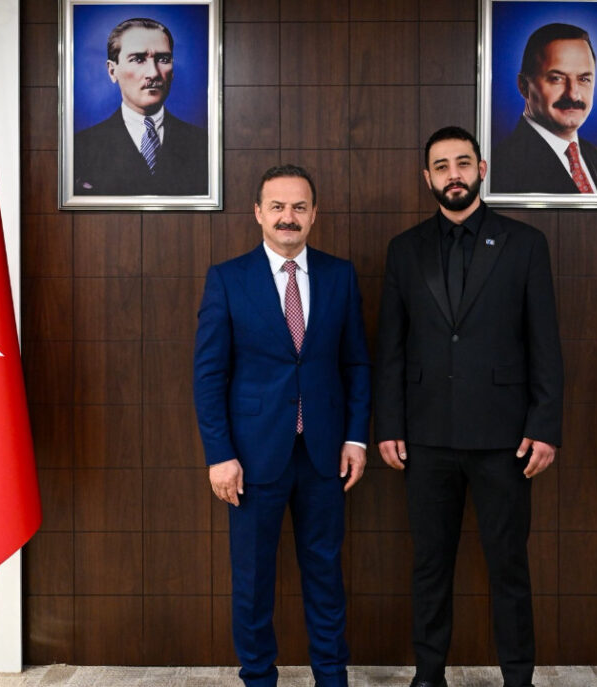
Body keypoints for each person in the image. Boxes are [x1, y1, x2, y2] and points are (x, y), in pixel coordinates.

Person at [375, 127, 564, 687]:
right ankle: (428, 674)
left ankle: (518, 678)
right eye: (441, 166)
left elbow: (545, 344)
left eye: (462, 163)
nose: (452, 174)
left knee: (508, 566)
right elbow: (391, 348)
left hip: (506, 439)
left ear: (481, 169)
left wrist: (545, 425)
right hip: (425, 437)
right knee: (430, 565)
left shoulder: (525, 244)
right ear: (427, 178)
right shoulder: (404, 249)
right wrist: (388, 424)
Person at [193, 165, 371, 687]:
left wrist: (356, 437)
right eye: (277, 207)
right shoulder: (227, 279)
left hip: (324, 454)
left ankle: (331, 678)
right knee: (252, 582)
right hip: (250, 459)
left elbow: (357, 363)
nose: (287, 217)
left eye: (298, 207)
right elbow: (209, 375)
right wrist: (219, 454)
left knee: (325, 576)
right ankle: (257, 679)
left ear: (314, 214)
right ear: (258, 213)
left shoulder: (340, 275)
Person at [73, 17, 207, 196]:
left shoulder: (203, 144)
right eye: (138, 59)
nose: (153, 73)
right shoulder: (80, 147)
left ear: (172, 71)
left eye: (163, 59)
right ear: (112, 71)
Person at [490, 23, 597, 195]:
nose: (573, 95)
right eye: (557, 78)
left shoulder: (594, 155)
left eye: (583, 79)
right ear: (524, 86)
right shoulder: (502, 165)